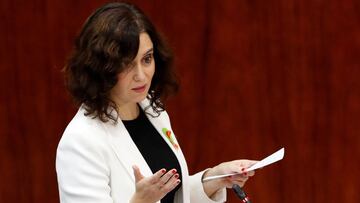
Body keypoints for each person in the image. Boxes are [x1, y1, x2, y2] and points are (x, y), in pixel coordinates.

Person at [56, 2, 257, 203]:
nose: (141, 76)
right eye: (127, 64)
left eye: (147, 59)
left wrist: (214, 178)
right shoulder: (80, 142)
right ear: (100, 67)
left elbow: (172, 197)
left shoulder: (152, 111)